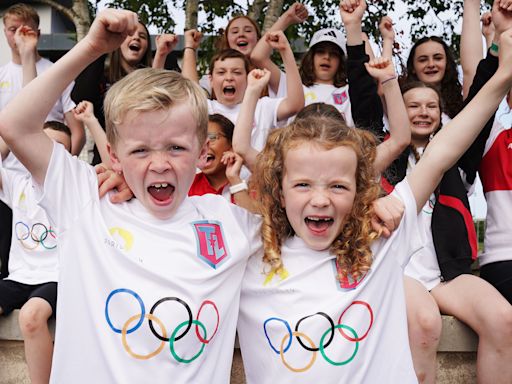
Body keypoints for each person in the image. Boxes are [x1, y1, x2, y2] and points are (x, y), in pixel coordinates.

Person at [236, 23, 512, 382]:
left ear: (361, 190)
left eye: (337, 186)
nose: (320, 199)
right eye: (303, 184)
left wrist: (503, 75)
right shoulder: (248, 247)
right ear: (279, 188)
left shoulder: (378, 242)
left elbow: (443, 152)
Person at [0, 9, 263, 382]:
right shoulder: (86, 201)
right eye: (140, 151)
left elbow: (303, 216)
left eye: (176, 148)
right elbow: (14, 124)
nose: (159, 164)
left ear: (203, 151)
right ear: (114, 155)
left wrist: (378, 203)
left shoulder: (228, 221)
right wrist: (91, 47)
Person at [0, 120, 71, 384]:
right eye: (44, 144)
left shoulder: (74, 188)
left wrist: (88, 122)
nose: (49, 152)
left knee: (31, 316)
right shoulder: (17, 183)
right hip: (19, 277)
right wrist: (12, 130)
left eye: (58, 148)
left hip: (57, 278)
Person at [0, 3, 84, 154]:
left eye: (26, 30)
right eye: (13, 30)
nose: (19, 35)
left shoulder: (58, 72)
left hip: (46, 165)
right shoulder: (1, 75)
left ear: (37, 34)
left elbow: (77, 132)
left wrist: (65, 168)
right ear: (5, 32)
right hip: (8, 169)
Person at [188, 113, 258, 212]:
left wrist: (234, 179)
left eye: (211, 138)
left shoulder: (251, 183)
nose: (202, 146)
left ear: (232, 145)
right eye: (197, 140)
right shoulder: (187, 186)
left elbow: (254, 223)